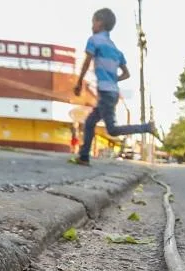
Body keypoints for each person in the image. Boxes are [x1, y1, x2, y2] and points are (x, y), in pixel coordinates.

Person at [71, 8, 156, 166]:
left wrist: (79, 82)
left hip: (105, 91)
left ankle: (146, 127)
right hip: (113, 92)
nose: (92, 26)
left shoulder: (94, 40)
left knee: (112, 130)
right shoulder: (116, 49)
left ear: (100, 23)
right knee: (90, 122)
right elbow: (126, 74)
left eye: (93, 22)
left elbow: (87, 61)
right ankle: (83, 156)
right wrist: (113, 79)